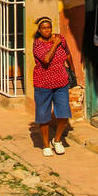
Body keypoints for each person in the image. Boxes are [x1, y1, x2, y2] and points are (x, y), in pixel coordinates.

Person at [32, 16, 72, 156]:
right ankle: (45, 145)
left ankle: (57, 140)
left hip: (61, 82)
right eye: (44, 28)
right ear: (39, 30)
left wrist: (72, 71)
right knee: (44, 115)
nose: (47, 30)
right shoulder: (38, 44)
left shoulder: (60, 38)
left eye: (49, 27)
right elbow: (46, 59)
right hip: (43, 84)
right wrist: (55, 44)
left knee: (64, 113)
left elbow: (67, 54)